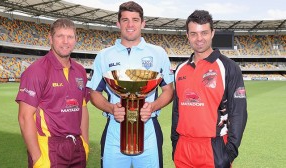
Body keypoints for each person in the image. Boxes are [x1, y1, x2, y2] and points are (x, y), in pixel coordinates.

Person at [86, 1, 174, 168]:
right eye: (125, 20)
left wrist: (153, 106)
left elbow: (169, 90)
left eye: (135, 19)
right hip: (114, 126)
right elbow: (94, 93)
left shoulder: (158, 53)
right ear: (118, 23)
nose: (130, 24)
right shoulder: (104, 55)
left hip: (149, 128)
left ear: (143, 23)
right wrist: (111, 108)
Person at [171, 10, 247, 168]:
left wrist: (229, 154)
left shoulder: (229, 68)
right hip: (183, 148)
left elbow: (239, 113)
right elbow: (176, 111)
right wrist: (175, 144)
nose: (199, 39)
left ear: (212, 33)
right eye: (194, 34)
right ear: (187, 35)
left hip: (214, 149)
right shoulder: (180, 69)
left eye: (204, 33)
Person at [16, 18, 89, 168]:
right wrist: (37, 158)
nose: (65, 41)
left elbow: (83, 109)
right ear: (50, 38)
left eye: (70, 37)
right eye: (60, 36)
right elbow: (24, 117)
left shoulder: (80, 71)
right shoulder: (36, 71)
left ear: (76, 40)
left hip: (77, 147)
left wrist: (85, 143)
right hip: (49, 148)